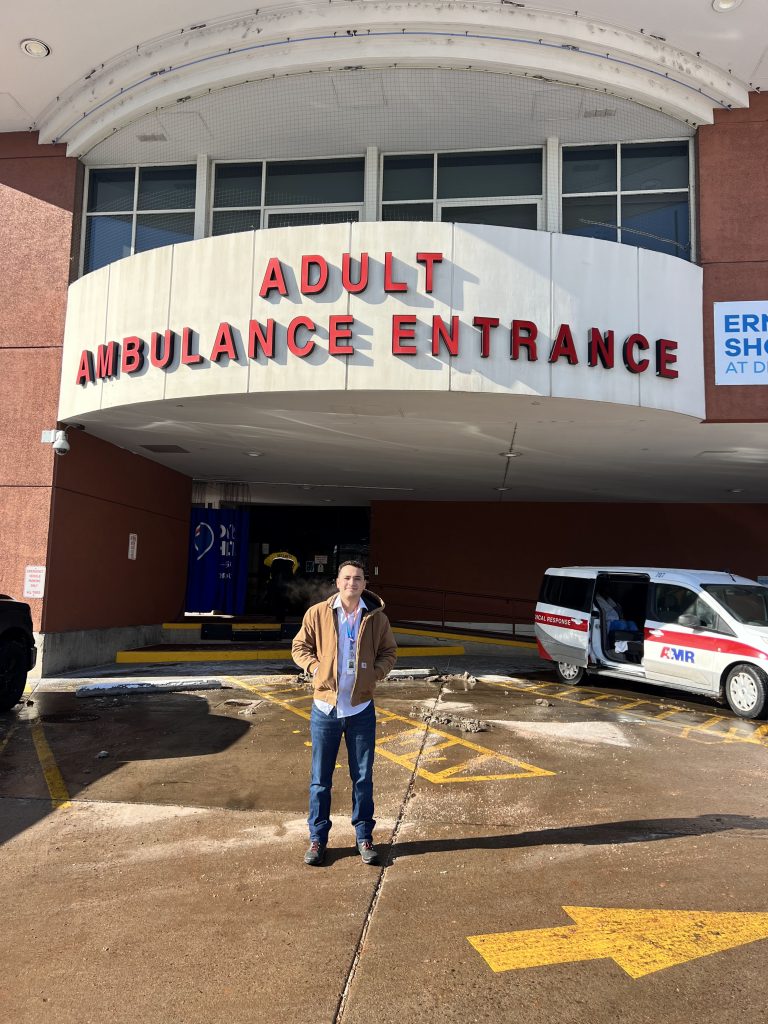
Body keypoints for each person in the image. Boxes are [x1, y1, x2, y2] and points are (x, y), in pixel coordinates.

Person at [291, 560, 397, 867]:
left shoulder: (376, 617)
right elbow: (300, 646)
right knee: (320, 779)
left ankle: (364, 836)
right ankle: (317, 839)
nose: (352, 582)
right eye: (347, 577)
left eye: (358, 578)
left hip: (361, 708)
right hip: (325, 708)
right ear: (338, 582)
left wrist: (375, 675)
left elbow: (390, 651)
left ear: (365, 584)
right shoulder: (318, 613)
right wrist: (315, 669)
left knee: (362, 777)